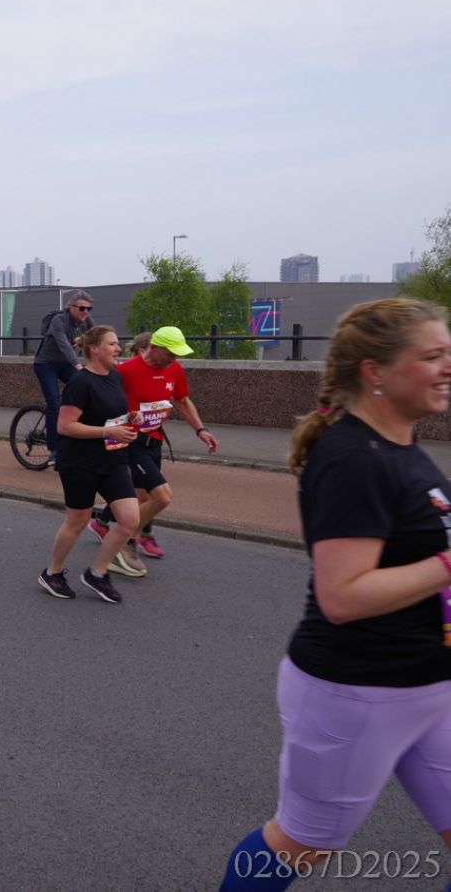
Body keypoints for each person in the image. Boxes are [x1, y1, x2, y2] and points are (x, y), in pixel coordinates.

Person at [219, 298, 451, 891]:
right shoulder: (351, 458)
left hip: (431, 687)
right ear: (376, 371)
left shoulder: (401, 447)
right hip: (357, 692)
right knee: (299, 845)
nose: (448, 367)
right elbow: (343, 597)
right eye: (432, 356)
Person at [88, 326, 220, 560]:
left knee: (142, 498)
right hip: (131, 441)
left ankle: (106, 526)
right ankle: (125, 541)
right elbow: (104, 401)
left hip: (154, 440)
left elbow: (182, 401)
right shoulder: (126, 370)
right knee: (162, 497)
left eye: (177, 354)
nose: (174, 359)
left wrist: (201, 430)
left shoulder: (174, 369)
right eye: (170, 353)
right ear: (154, 347)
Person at [36, 326, 142, 604]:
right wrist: (108, 431)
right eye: (112, 344)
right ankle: (52, 573)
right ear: (95, 349)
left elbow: (110, 413)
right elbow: (64, 426)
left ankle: (97, 573)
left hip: (113, 459)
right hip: (80, 462)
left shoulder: (115, 377)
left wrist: (130, 417)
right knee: (78, 521)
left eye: (117, 343)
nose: (118, 348)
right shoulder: (80, 383)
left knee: (130, 519)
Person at [32, 290, 95, 469]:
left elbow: (97, 339)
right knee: (54, 404)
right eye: (82, 308)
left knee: (85, 391)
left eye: (88, 308)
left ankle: (77, 434)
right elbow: (64, 345)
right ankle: (54, 450)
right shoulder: (59, 320)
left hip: (65, 365)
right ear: (71, 307)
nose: (85, 311)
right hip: (46, 365)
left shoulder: (87, 321)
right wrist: (78, 365)